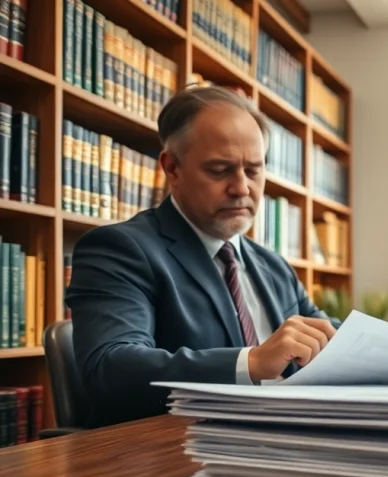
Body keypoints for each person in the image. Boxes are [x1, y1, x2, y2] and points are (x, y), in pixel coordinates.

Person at [65, 85, 341, 428]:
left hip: (286, 438)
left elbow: (326, 335)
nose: (241, 187)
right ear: (172, 168)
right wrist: (250, 362)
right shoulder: (119, 248)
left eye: (253, 170)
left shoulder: (272, 265)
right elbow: (110, 367)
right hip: (175, 453)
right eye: (219, 170)